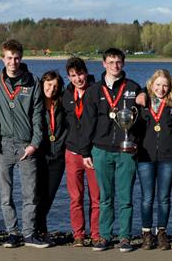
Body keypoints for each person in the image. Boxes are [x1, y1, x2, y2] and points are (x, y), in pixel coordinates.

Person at [81, 48, 143, 252]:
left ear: (123, 63)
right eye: (110, 62)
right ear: (103, 64)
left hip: (126, 151)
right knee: (105, 197)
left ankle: (125, 237)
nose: (115, 66)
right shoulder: (94, 90)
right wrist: (85, 151)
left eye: (118, 62)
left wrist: (137, 142)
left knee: (126, 197)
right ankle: (104, 236)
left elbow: (142, 120)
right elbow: (88, 123)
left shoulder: (133, 88)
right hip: (101, 150)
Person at [0, 39, 48, 248]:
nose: (13, 62)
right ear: (2, 59)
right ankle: (12, 233)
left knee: (29, 194)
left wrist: (34, 144)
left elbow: (39, 118)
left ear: (21, 58)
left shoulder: (33, 82)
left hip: (26, 145)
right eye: (9, 58)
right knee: (5, 195)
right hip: (2, 145)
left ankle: (29, 234)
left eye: (16, 58)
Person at [135, 69, 172, 250]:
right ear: (151, 85)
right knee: (147, 198)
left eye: (165, 85)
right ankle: (146, 233)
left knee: (164, 198)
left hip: (168, 157)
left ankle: (161, 232)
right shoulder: (142, 103)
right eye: (158, 85)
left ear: (170, 87)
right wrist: (139, 97)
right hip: (145, 156)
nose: (161, 89)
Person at [60, 57, 101, 248]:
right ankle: (78, 234)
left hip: (94, 153)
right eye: (73, 76)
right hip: (72, 152)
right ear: (68, 77)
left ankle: (97, 234)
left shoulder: (97, 91)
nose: (78, 79)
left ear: (86, 72)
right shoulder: (66, 94)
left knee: (97, 197)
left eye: (80, 74)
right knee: (75, 197)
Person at [34, 70, 69, 246]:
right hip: (39, 155)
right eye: (48, 84)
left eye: (55, 86)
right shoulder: (35, 102)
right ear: (42, 84)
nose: (52, 88)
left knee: (48, 196)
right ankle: (38, 230)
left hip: (58, 157)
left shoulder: (62, 102)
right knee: (36, 195)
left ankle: (40, 229)